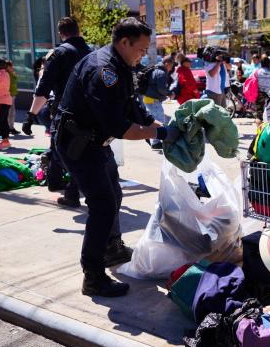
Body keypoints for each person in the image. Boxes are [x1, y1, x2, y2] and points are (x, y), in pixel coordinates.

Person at [55, 17, 179, 298]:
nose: (143, 55)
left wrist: (154, 125)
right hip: (79, 145)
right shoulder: (104, 71)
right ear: (124, 42)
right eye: (141, 49)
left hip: (96, 143)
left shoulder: (122, 66)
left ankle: (111, 248)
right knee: (102, 205)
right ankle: (93, 276)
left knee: (114, 194)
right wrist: (158, 134)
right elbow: (119, 127)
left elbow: (131, 106)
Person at [23, 17, 92, 208]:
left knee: (66, 150)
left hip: (65, 111)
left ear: (61, 33)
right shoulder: (91, 52)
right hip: (89, 112)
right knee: (71, 148)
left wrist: (30, 116)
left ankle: (70, 191)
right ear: (78, 31)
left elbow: (43, 88)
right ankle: (56, 181)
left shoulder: (58, 54)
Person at [144, 56, 174, 150]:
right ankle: (156, 143)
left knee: (155, 120)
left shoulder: (156, 70)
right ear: (166, 63)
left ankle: (153, 140)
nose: (172, 67)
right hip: (153, 100)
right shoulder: (161, 72)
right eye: (171, 65)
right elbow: (161, 88)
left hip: (149, 99)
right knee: (159, 121)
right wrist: (169, 93)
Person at [253, 54, 270, 124]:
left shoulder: (257, 72)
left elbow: (251, 81)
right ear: (269, 64)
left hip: (260, 95)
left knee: (259, 116)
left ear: (261, 63)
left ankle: (259, 132)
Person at [4, 60, 21, 135]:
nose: (12, 67)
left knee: (12, 112)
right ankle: (8, 128)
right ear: (6, 66)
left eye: (12, 65)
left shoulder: (11, 73)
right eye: (10, 66)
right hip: (8, 95)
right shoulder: (5, 74)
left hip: (12, 95)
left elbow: (15, 80)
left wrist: (13, 73)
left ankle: (11, 127)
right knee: (8, 113)